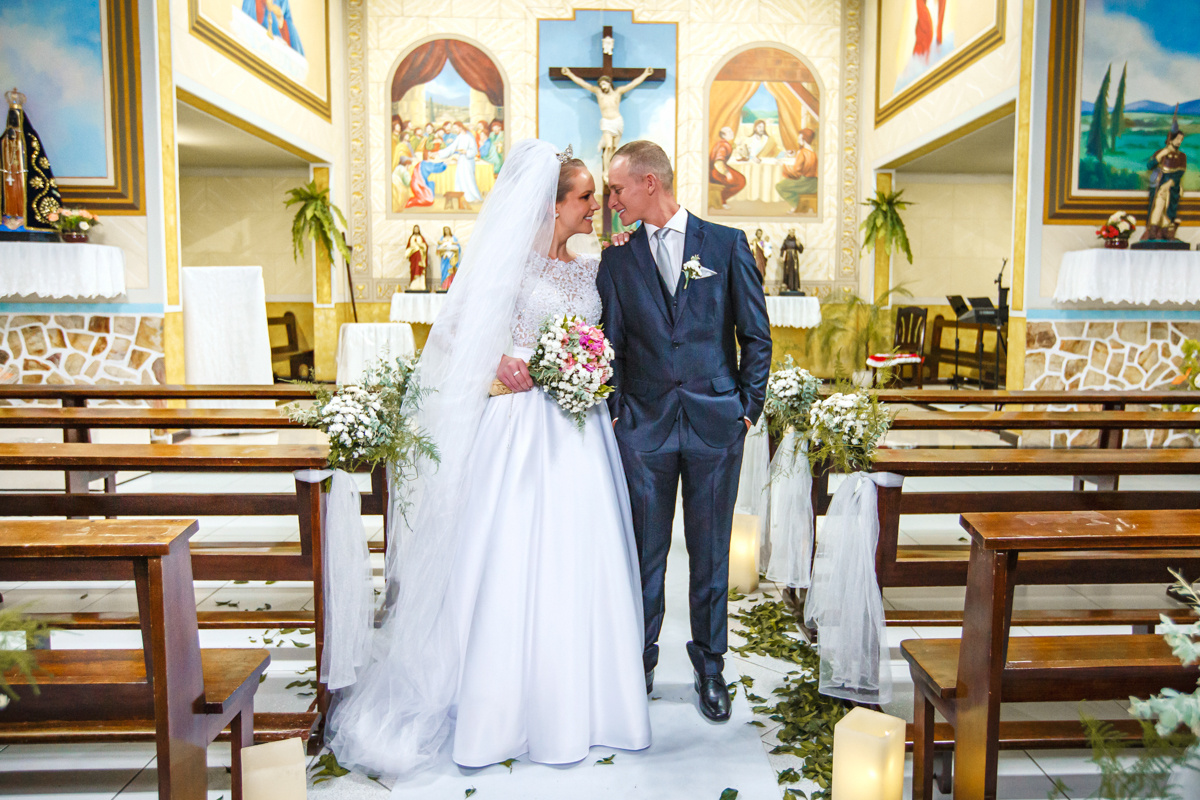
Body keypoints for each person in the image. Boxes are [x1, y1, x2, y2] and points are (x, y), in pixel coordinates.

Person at [325, 140, 651, 775]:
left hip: (579, 429)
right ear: (553, 204)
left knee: (581, 554)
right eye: (586, 197)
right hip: (518, 425)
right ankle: (496, 704)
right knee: (508, 551)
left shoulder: (592, 268)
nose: (595, 208)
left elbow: (602, 333)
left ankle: (588, 701)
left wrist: (589, 366)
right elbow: (451, 329)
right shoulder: (509, 265)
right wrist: (497, 360)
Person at [599, 140, 772, 722]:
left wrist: (746, 409)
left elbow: (756, 335)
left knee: (711, 555)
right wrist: (619, 411)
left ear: (649, 182)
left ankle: (710, 667)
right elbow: (610, 343)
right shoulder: (617, 259)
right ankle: (640, 662)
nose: (611, 200)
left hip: (716, 426)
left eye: (617, 188)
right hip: (643, 429)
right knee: (644, 555)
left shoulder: (725, 244)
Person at [559, 67, 655, 183]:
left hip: (617, 122)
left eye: (604, 84)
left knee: (614, 149)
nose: (603, 87)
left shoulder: (618, 92)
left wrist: (645, 74)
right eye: (601, 85)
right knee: (608, 146)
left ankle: (612, 170)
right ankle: (605, 172)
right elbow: (583, 83)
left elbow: (633, 84)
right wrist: (569, 74)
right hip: (607, 122)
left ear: (609, 83)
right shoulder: (599, 93)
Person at [1143, 121, 1187, 241]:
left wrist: (1169, 184)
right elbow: (1149, 165)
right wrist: (1160, 155)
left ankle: (1166, 231)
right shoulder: (1160, 153)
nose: (1179, 141)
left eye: (1181, 139)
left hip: (1173, 186)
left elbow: (1179, 173)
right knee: (1158, 206)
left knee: (1169, 209)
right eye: (1177, 138)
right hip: (1159, 183)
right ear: (1171, 139)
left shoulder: (1182, 156)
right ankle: (1153, 230)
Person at [776, 128, 818, 213]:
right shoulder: (813, 152)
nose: (798, 141)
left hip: (805, 182)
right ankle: (800, 205)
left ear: (804, 140)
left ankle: (797, 205)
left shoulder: (802, 152)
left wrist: (784, 166)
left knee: (780, 186)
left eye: (799, 138)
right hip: (815, 183)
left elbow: (796, 173)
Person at [708, 126, 746, 208]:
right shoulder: (723, 146)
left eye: (731, 131)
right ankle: (722, 200)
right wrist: (727, 173)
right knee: (740, 181)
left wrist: (736, 144)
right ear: (723, 135)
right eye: (729, 132)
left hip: (715, 169)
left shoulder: (723, 143)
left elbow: (730, 147)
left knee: (739, 179)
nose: (732, 133)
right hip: (716, 171)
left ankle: (722, 199)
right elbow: (718, 163)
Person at [405, 225, 428, 290]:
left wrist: (420, 246)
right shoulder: (411, 238)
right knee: (413, 269)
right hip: (413, 257)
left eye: (417, 229)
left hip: (420, 257)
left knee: (420, 269)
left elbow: (425, 247)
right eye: (415, 229)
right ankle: (413, 285)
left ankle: (421, 285)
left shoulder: (421, 238)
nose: (416, 230)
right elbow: (408, 247)